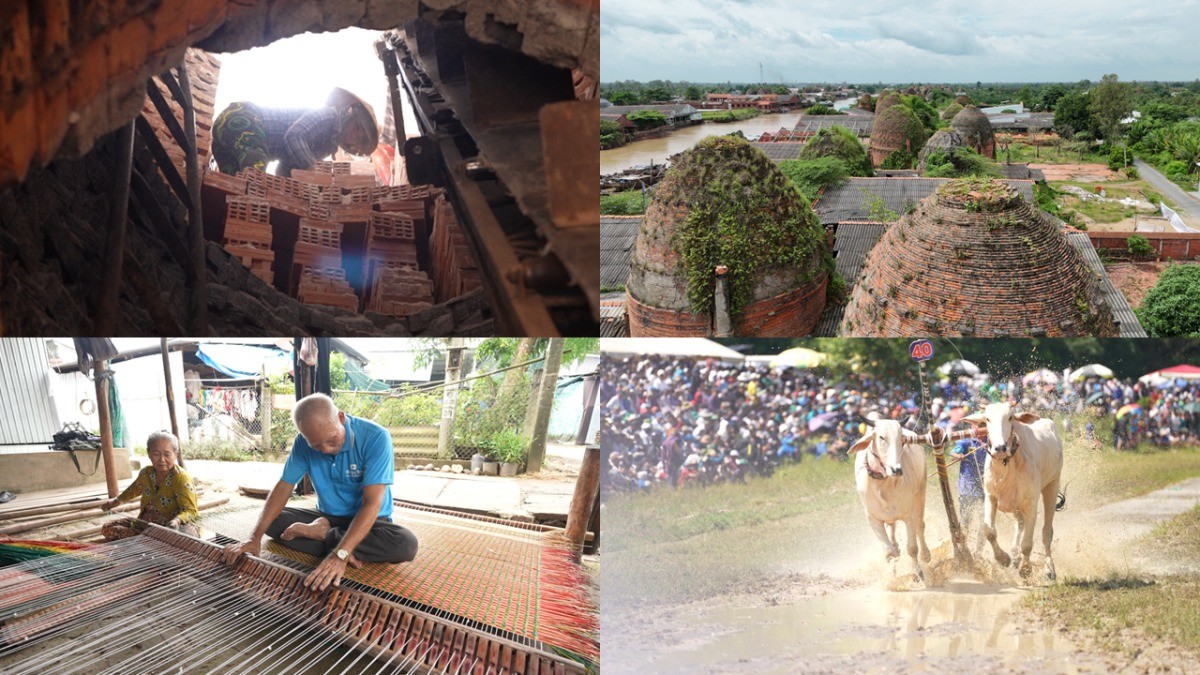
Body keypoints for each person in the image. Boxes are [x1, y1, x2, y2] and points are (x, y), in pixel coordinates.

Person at [221, 393, 417, 591]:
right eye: (315, 445)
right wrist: (254, 537)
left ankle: (324, 535)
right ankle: (339, 539)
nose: (325, 450)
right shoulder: (301, 443)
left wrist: (340, 554)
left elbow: (372, 503)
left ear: (341, 418)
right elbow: (284, 486)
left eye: (332, 440)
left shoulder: (375, 437)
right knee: (272, 522)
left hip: (371, 521)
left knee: (405, 545)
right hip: (328, 516)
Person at [211, 88, 379, 177]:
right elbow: (294, 136)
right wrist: (312, 170)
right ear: (349, 115)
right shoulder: (329, 115)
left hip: (227, 143)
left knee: (233, 188)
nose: (353, 137)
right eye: (356, 128)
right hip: (241, 119)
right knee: (254, 178)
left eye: (359, 139)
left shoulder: (325, 148)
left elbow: (285, 168)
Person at [100, 431, 198, 540]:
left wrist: (176, 521)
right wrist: (114, 502)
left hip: (169, 529)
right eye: (156, 454)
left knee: (179, 537)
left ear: (175, 454)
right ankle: (147, 539)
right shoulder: (146, 473)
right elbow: (132, 490)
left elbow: (191, 511)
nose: (161, 459)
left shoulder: (181, 478)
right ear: (149, 453)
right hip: (144, 525)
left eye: (167, 454)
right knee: (107, 528)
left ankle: (147, 540)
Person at [951, 437, 986, 548]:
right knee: (965, 522)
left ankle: (979, 552)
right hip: (967, 489)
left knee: (985, 523)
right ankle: (963, 547)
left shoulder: (991, 442)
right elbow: (953, 453)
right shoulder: (966, 442)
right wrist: (958, 456)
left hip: (985, 490)